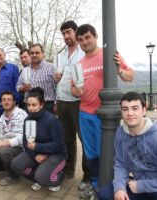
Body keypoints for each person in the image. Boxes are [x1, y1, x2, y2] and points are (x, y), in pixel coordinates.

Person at [72, 24, 135, 192]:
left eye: (87, 37)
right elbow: (73, 88)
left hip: (105, 115)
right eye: (81, 40)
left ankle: (109, 183)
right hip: (84, 113)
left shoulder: (108, 55)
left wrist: (120, 70)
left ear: (95, 36)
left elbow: (130, 76)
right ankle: (94, 184)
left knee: (106, 151)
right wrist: (75, 90)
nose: (84, 42)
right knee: (90, 152)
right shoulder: (78, 64)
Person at [98, 92, 157, 200]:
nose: (130, 113)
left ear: (144, 110)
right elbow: (121, 163)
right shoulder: (121, 133)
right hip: (137, 186)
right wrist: (119, 187)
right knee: (105, 194)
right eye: (125, 109)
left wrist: (142, 186)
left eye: (135, 108)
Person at [53, 20, 90, 187]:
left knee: (84, 139)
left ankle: (88, 176)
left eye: (68, 32)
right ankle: (68, 171)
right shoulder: (59, 56)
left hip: (79, 102)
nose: (66, 36)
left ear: (76, 32)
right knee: (67, 139)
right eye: (63, 33)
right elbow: (56, 79)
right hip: (61, 101)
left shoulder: (84, 53)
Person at [11, 87, 66, 192]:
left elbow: (58, 145)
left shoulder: (52, 120)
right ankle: (39, 178)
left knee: (42, 177)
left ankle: (58, 178)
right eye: (28, 105)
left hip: (56, 155)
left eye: (34, 105)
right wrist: (35, 155)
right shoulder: (27, 120)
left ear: (41, 104)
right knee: (16, 164)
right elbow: (25, 142)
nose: (30, 108)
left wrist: (37, 146)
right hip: (37, 153)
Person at [16, 44, 56, 113]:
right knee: (30, 124)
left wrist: (56, 103)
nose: (34, 55)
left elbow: (57, 86)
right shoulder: (25, 70)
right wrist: (23, 88)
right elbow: (18, 87)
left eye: (37, 53)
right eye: (32, 53)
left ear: (43, 54)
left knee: (46, 124)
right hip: (30, 106)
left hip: (47, 105)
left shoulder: (51, 67)